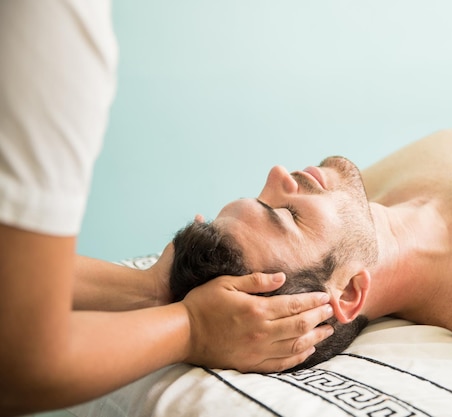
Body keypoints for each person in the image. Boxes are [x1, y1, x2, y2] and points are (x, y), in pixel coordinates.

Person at [0, 2, 333, 416]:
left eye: (283, 214)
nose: (278, 172)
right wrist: (191, 328)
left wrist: (149, 290)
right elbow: (20, 362)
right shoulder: (50, 30)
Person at [169, 112, 452, 369]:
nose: (278, 174)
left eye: (259, 195)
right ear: (348, 291)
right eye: (286, 214)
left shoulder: (366, 199)